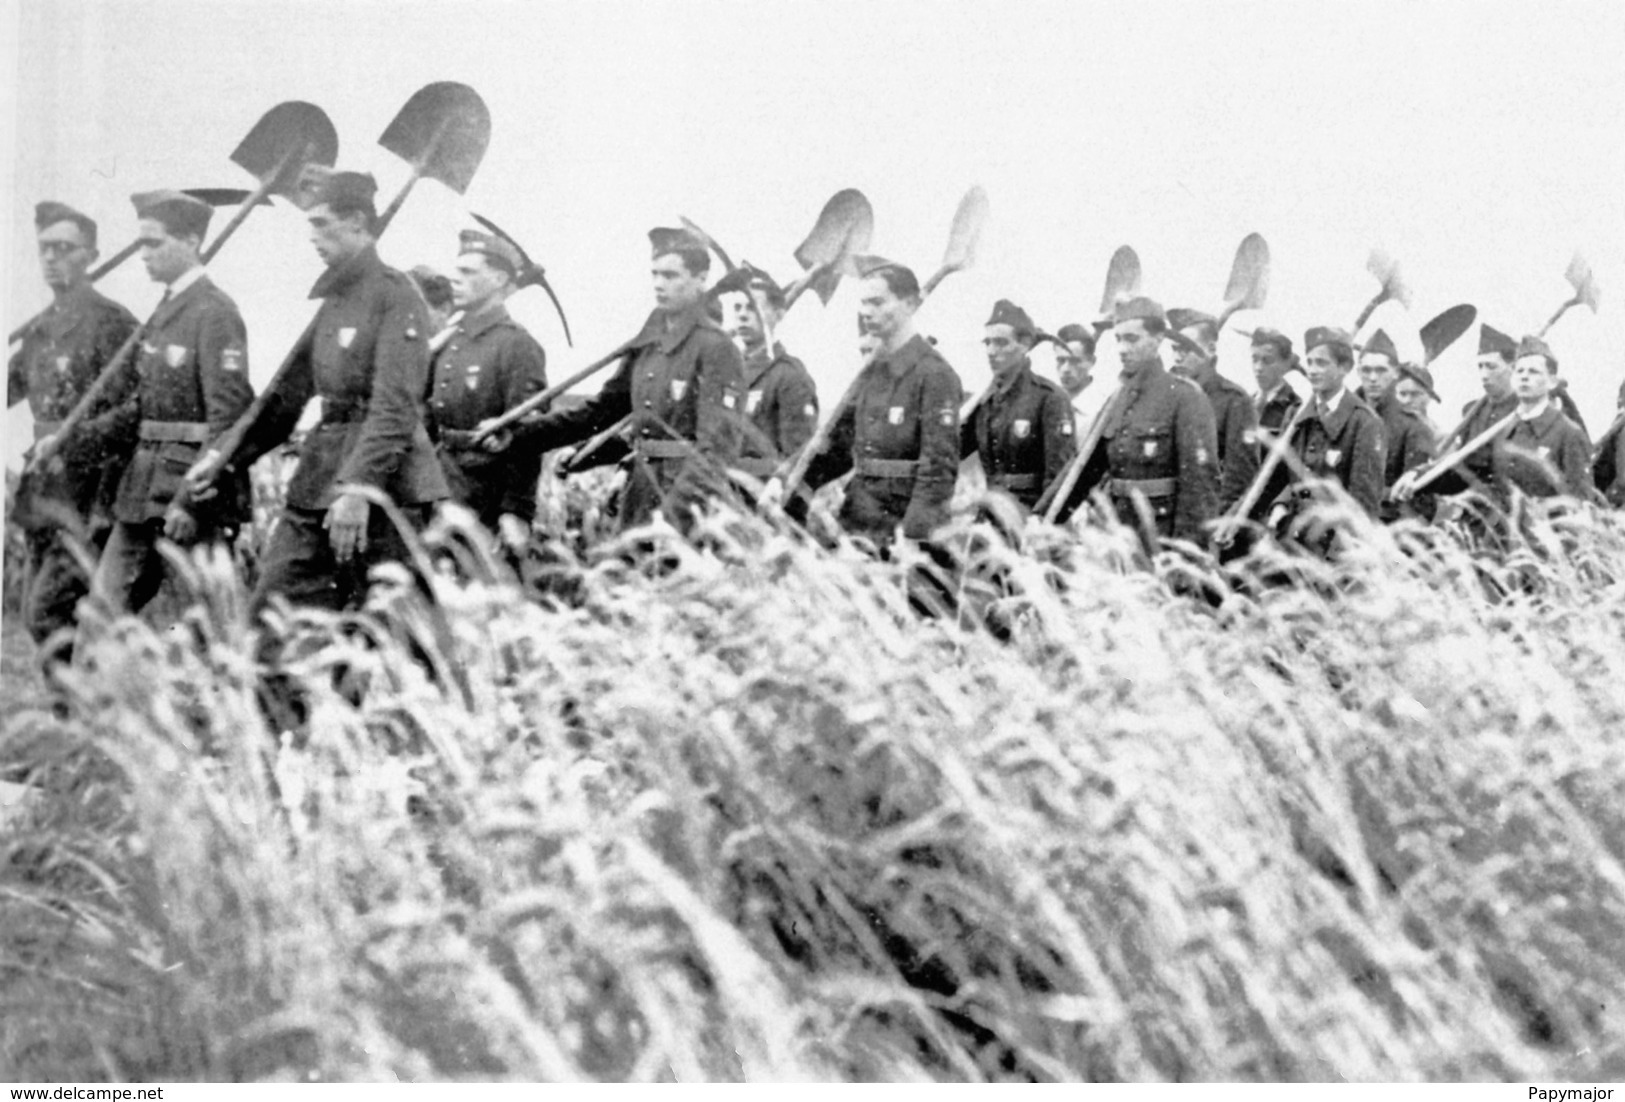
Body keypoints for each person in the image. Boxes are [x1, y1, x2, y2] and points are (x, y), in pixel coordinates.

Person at [184, 171, 449, 615]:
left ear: (358, 224)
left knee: (381, 639)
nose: (311, 237)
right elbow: (283, 398)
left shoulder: (396, 296)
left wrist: (359, 490)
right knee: (269, 621)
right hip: (318, 482)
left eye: (322, 224)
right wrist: (224, 458)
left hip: (385, 493)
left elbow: (395, 407)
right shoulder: (334, 301)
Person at [487, 226, 744, 535]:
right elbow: (601, 412)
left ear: (701, 279)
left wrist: (672, 518)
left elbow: (715, 451)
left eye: (671, 276)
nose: (659, 284)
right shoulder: (649, 342)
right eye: (655, 274)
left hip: (684, 509)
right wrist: (520, 434)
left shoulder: (717, 348)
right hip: (639, 495)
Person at [78, 190, 254, 628]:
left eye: (154, 243)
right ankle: (99, 698)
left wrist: (188, 503)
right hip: (140, 491)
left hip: (190, 499)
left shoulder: (215, 313)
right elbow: (145, 405)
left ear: (192, 241)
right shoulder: (165, 311)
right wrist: (82, 439)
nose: (144, 254)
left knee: (201, 629)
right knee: (100, 617)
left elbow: (226, 420)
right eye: (141, 243)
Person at [7, 201, 138, 666]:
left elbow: (134, 411)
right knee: (35, 618)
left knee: (48, 616)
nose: (52, 258)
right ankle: (71, 721)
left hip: (89, 492)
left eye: (65, 248)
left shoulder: (113, 323)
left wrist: (77, 439)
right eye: (45, 248)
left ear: (91, 255)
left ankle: (77, 718)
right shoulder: (38, 330)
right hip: (43, 488)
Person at [794, 258, 963, 547]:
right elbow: (836, 448)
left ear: (910, 305)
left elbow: (937, 469)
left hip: (902, 526)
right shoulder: (870, 372)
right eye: (863, 304)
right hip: (858, 516)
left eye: (877, 303)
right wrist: (793, 488)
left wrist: (914, 535)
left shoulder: (934, 375)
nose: (866, 312)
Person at [1039, 296, 1218, 544]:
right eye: (1119, 339)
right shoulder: (1117, 400)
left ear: (1157, 340)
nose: (1122, 349)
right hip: (1118, 538)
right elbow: (1082, 469)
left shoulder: (1185, 398)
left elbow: (1199, 488)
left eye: (1132, 339)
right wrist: (1041, 518)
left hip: (1160, 541)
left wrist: (1185, 557)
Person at [425, 228, 548, 547]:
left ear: (498, 280)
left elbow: (527, 436)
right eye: (456, 270)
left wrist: (516, 511)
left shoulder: (517, 345)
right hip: (438, 484)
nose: (455, 279)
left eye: (467, 271)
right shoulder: (451, 342)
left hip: (484, 496)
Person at [1397, 335, 1592, 505]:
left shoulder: (1569, 434)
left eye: (1533, 372)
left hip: (1545, 542)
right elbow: (1467, 471)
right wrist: (1418, 475)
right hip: (1501, 539)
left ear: (1552, 382)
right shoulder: (1504, 428)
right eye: (1519, 371)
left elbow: (1581, 503)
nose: (1524, 377)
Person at [1257, 326, 1386, 526]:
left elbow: (1363, 505)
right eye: (1309, 362)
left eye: (1322, 363)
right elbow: (1285, 478)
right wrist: (1280, 505)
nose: (1313, 371)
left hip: (1336, 545)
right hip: (1293, 537)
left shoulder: (1365, 423)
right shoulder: (1296, 415)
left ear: (1345, 368)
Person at [959, 299, 1075, 511]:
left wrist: (1040, 521)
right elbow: (952, 450)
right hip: (991, 513)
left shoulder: (1049, 398)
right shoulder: (985, 401)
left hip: (1030, 514)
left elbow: (1059, 476)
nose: (991, 351)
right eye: (988, 343)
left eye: (1001, 343)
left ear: (1023, 345)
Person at [712, 263, 818, 478]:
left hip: (758, 498)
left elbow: (797, 462)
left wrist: (731, 469)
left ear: (778, 314)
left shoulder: (789, 376)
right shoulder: (725, 373)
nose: (742, 315)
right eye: (738, 308)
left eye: (752, 307)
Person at [1168, 309, 1258, 511]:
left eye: (1186, 349)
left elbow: (1239, 476)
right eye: (1174, 349)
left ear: (1210, 349)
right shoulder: (1166, 396)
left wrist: (1216, 521)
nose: (1177, 357)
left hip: (1204, 517)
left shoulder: (1234, 401)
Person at [1355, 329, 1435, 522]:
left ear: (1395, 373)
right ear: (1358, 372)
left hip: (1383, 529)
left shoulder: (1413, 428)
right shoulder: (1342, 417)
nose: (1373, 378)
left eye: (1381, 370)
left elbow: (1417, 501)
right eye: (1366, 370)